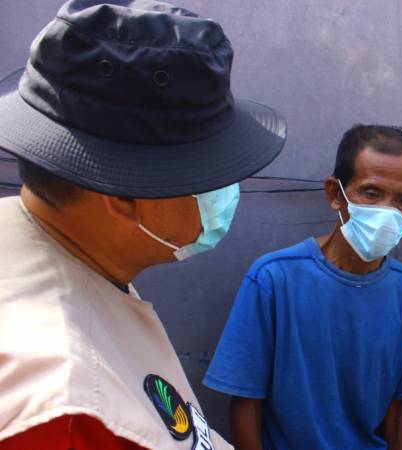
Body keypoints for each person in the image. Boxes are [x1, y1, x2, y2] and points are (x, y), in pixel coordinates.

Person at [0, 1, 287, 449]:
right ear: (123, 196)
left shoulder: (64, 249)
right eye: (211, 171)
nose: (228, 189)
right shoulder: (71, 413)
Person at [203, 125, 402, 450]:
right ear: (335, 194)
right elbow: (246, 404)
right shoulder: (274, 279)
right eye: (371, 194)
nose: (387, 212)